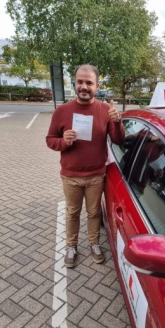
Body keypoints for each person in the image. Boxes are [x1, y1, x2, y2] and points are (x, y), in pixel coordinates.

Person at [46, 64, 125, 268]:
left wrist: (117, 122)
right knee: (72, 212)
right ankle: (71, 246)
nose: (84, 86)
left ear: (97, 86)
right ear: (75, 84)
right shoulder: (62, 111)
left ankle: (94, 243)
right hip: (71, 176)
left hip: (96, 175)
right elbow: (50, 140)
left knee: (94, 213)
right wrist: (64, 141)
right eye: (80, 82)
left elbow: (118, 140)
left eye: (89, 83)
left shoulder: (106, 110)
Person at [122, 130, 165, 196]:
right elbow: (127, 140)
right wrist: (149, 138)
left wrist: (157, 175)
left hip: (137, 188)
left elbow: (153, 179)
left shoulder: (162, 153)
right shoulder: (148, 132)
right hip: (123, 173)